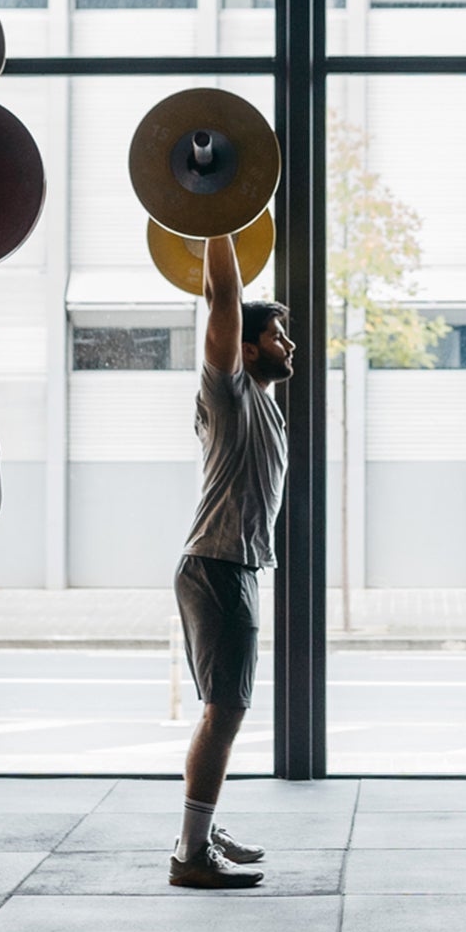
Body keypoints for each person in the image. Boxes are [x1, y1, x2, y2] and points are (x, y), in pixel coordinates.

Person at [169, 230, 293, 888]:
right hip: (217, 566)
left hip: (233, 568)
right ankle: (190, 854)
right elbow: (222, 297)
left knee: (225, 709)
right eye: (277, 335)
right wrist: (217, 217)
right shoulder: (230, 393)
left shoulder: (264, 408)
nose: (289, 344)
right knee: (227, 710)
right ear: (243, 349)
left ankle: (201, 826)